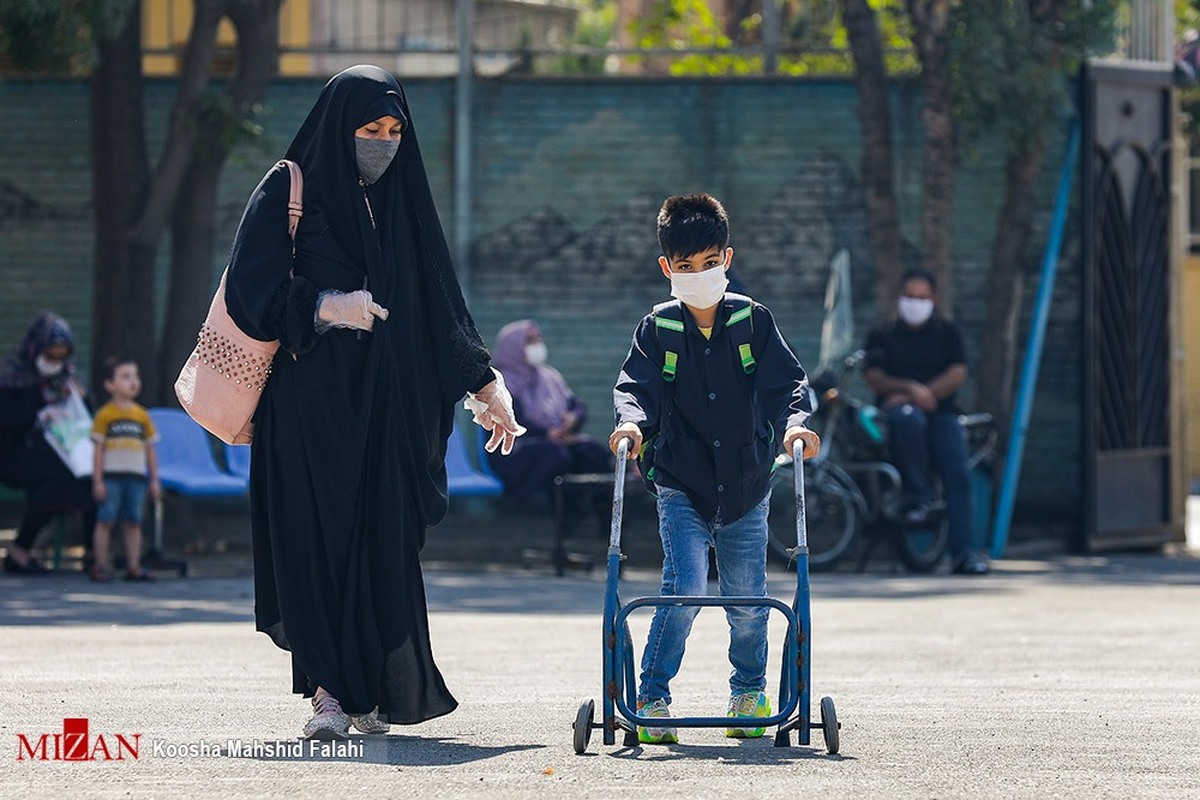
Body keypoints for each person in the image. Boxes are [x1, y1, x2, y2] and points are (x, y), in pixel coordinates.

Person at [223, 65, 524, 740]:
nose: (384, 144)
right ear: (339, 128)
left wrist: (485, 384)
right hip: (309, 414)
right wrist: (326, 307)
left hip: (387, 417)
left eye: (395, 130)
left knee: (383, 548)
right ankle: (329, 695)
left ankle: (370, 693)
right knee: (317, 545)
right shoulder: (288, 189)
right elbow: (252, 290)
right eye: (369, 129)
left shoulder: (401, 201)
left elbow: (440, 302)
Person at [610, 193, 819, 744]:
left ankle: (748, 692)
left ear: (727, 258)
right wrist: (631, 425)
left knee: (748, 600)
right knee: (681, 589)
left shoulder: (752, 322)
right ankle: (651, 697)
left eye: (709, 263)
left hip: (747, 485)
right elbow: (635, 388)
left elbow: (787, 386)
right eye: (685, 267)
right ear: (667, 269)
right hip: (682, 483)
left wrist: (796, 423)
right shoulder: (660, 329)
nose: (698, 275)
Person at [862, 268, 990, 576]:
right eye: (909, 296)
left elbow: (958, 372)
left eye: (921, 297)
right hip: (899, 418)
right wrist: (910, 391)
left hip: (942, 414)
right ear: (899, 297)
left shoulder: (947, 333)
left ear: (933, 299)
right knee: (907, 421)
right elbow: (874, 376)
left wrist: (923, 394)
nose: (915, 303)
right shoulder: (882, 333)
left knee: (957, 472)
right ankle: (916, 497)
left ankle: (964, 554)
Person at [0, 312, 96, 574]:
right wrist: (41, 403)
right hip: (15, 455)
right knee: (57, 479)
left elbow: (87, 416)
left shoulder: (67, 377)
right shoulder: (12, 376)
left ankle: (92, 553)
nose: (55, 362)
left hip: (61, 453)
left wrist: (79, 397)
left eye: (61, 356)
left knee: (90, 477)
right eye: (50, 354)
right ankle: (20, 551)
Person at [486, 319, 612, 506]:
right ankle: (527, 509)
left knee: (592, 452)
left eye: (538, 339)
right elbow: (513, 421)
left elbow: (577, 406)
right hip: (515, 452)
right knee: (556, 455)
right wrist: (547, 434)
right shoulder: (499, 384)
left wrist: (573, 418)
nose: (537, 345)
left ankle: (603, 520)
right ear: (513, 348)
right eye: (530, 341)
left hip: (556, 442)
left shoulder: (549, 377)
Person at [88, 357, 160, 583]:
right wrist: (97, 480)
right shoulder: (104, 415)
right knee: (105, 520)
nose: (133, 381)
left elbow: (150, 451)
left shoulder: (142, 416)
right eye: (125, 376)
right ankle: (99, 565)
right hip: (111, 478)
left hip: (136, 479)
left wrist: (154, 480)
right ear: (110, 385)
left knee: (134, 521)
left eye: (135, 376)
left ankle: (134, 566)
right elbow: (98, 450)